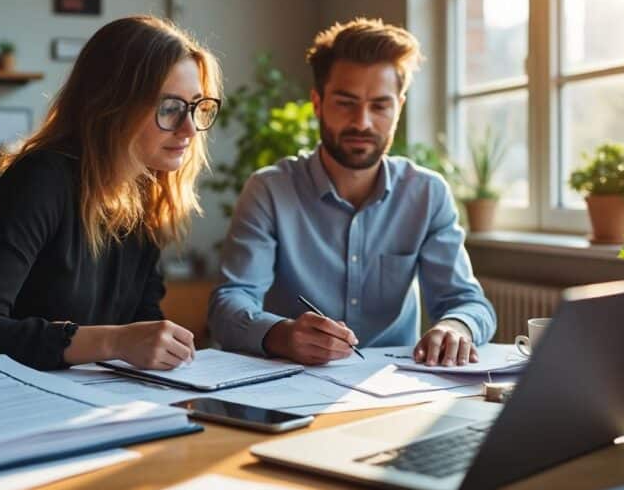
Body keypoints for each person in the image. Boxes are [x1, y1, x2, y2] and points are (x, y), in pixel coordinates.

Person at [0, 16, 222, 371]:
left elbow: (142, 319)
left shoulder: (148, 194)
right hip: (11, 403)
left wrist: (158, 347)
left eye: (197, 107)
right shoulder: (41, 179)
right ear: (112, 105)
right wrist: (115, 341)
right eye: (169, 108)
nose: (190, 129)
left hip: (94, 403)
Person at [208, 18, 495, 367]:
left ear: (398, 107)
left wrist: (456, 327)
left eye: (379, 105)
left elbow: (469, 303)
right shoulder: (270, 190)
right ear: (317, 103)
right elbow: (229, 304)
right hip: (291, 381)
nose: (362, 122)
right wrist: (280, 334)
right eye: (346, 103)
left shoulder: (427, 193)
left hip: (394, 388)